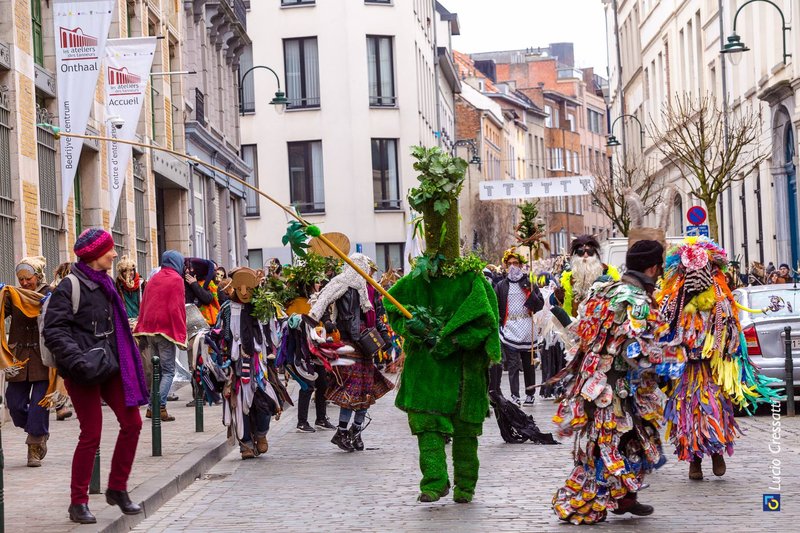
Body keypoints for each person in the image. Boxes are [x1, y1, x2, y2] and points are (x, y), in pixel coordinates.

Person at [551, 240, 667, 525]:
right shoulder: (637, 299)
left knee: (624, 441)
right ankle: (588, 502)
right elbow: (640, 351)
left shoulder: (604, 290)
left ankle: (625, 498)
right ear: (653, 268)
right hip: (618, 386)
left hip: (596, 381)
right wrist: (666, 361)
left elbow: (585, 332)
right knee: (611, 441)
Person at [43, 228, 149, 524]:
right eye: (109, 251)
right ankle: (78, 502)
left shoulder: (107, 284)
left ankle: (117, 487)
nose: (115, 255)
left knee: (133, 423)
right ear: (94, 256)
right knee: (91, 434)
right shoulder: (69, 286)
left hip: (112, 364)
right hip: (82, 370)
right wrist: (77, 361)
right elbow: (54, 330)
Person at [656, 237, 781, 480]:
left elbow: (733, 332)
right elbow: (664, 332)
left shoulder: (720, 300)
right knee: (687, 413)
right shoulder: (674, 302)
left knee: (715, 409)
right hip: (686, 371)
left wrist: (725, 352)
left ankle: (717, 453)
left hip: (713, 369)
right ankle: (694, 460)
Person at [309, 254, 394, 452]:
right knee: (351, 390)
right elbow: (321, 302)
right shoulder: (341, 284)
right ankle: (342, 431)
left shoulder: (370, 288)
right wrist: (328, 322)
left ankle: (356, 433)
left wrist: (384, 336)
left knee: (365, 390)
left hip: (367, 344)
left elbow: (377, 314)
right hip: (348, 341)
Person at [221, 267, 291, 459]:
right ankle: (246, 444)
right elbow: (223, 334)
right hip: (237, 365)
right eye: (240, 288)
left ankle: (261, 433)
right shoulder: (228, 308)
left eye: (248, 288)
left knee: (264, 401)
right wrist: (225, 355)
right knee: (240, 404)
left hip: (261, 364)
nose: (244, 293)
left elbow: (274, 332)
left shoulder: (265, 306)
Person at [2, 257, 52, 466]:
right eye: (20, 279)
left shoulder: (52, 293)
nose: (23, 283)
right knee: (14, 404)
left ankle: (34, 446)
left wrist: (49, 305)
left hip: (43, 358)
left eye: (27, 279)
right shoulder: (14, 295)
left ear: (38, 276)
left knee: (39, 406)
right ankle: (37, 430)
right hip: (18, 358)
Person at [133, 250, 188, 422]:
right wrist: (181, 332)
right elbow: (177, 307)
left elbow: (145, 304)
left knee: (157, 370)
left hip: (150, 330)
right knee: (168, 371)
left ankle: (153, 407)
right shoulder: (176, 279)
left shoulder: (154, 278)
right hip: (165, 330)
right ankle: (158, 406)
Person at [491, 247, 543, 405]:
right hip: (510, 328)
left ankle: (530, 392)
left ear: (521, 265)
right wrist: (499, 323)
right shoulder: (500, 286)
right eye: (510, 263)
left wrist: (530, 291)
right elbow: (496, 305)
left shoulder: (529, 282)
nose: (513, 266)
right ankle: (515, 395)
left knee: (528, 363)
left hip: (527, 327)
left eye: (516, 263)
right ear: (506, 266)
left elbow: (539, 305)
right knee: (513, 364)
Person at [557, 235, 620, 318]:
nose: (585, 255)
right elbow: (562, 303)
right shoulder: (569, 278)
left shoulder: (609, 272)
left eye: (589, 251)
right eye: (581, 252)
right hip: (576, 324)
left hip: (600, 323)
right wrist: (558, 298)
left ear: (595, 254)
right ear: (575, 255)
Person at [115, 255, 144, 319]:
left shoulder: (142, 284)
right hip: (126, 322)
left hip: (140, 322)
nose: (130, 273)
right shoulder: (117, 287)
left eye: (131, 270)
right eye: (125, 271)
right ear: (121, 273)